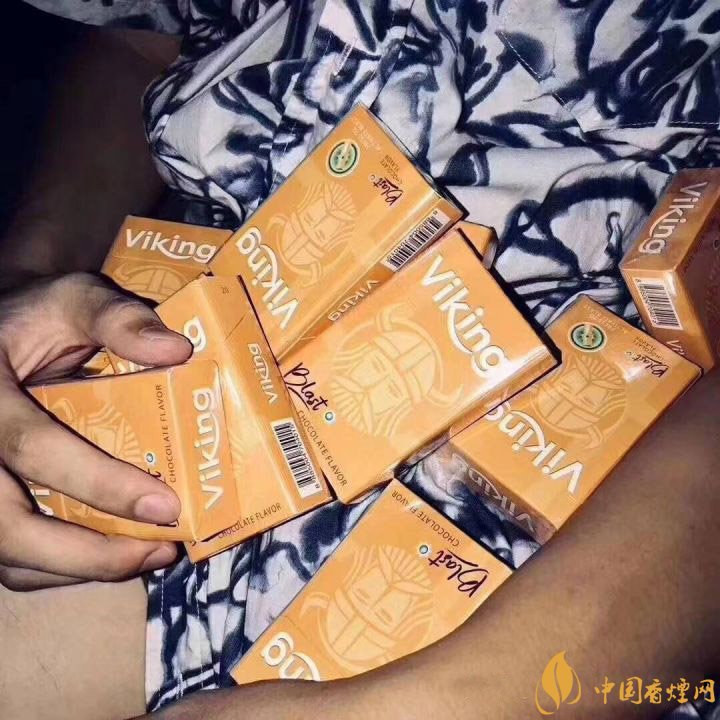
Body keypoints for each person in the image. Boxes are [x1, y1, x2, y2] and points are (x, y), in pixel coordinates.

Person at [1, 1, 719, 718]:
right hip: (171, 354)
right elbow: (144, 40)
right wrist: (28, 270)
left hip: (591, 549)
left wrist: (466, 701)